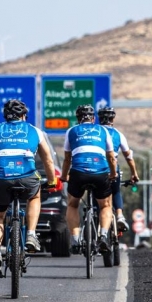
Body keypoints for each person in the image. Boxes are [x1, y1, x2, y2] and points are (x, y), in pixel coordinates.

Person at [0, 99, 57, 278]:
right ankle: (30, 233)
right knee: (34, 197)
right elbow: (48, 160)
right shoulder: (35, 131)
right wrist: (52, 181)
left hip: (1, 178)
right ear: (24, 116)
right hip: (27, 177)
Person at [60, 104, 117, 254]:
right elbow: (111, 157)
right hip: (100, 172)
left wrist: (64, 176)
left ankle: (75, 238)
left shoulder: (71, 131)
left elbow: (67, 159)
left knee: (72, 204)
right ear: (93, 119)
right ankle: (103, 235)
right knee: (105, 205)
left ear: (78, 119)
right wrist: (113, 174)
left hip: (78, 173)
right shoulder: (103, 130)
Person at [98, 106, 140, 232]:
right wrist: (134, 173)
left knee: (97, 192)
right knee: (116, 191)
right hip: (112, 167)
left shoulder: (96, 131)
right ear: (113, 119)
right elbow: (128, 156)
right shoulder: (118, 134)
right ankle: (120, 215)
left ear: (99, 118)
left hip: (97, 166)